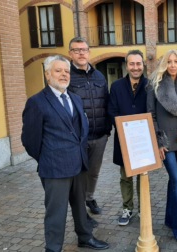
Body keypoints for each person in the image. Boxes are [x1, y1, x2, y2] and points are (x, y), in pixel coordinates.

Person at [21, 55, 109, 251]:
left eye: (67, 71)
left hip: (78, 165)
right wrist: (47, 158)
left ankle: (85, 238)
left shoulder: (75, 99)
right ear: (47, 74)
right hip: (54, 168)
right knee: (56, 213)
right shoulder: (36, 102)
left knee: (80, 207)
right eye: (58, 70)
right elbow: (29, 140)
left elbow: (80, 130)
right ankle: (53, 248)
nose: (64, 75)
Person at [146, 50, 177, 245]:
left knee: (173, 181)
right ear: (164, 64)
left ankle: (169, 218)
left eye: (176, 61)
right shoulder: (154, 85)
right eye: (169, 61)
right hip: (165, 141)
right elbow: (151, 115)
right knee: (176, 180)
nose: (173, 65)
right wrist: (158, 142)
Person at [67, 37, 111, 218]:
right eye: (76, 50)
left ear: (89, 52)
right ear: (70, 54)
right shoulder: (66, 75)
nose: (81, 53)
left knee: (93, 172)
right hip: (78, 138)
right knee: (78, 174)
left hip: (100, 135)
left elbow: (107, 102)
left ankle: (89, 198)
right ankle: (79, 209)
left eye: (84, 49)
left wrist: (108, 129)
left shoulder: (99, 75)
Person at [108, 50, 147, 226]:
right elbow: (112, 111)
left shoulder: (150, 85)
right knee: (125, 176)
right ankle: (127, 208)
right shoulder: (116, 86)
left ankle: (143, 208)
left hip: (144, 141)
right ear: (126, 65)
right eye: (132, 64)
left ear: (143, 65)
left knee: (142, 175)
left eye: (138, 63)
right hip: (124, 140)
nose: (135, 67)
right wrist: (125, 130)